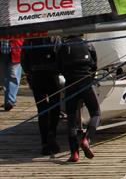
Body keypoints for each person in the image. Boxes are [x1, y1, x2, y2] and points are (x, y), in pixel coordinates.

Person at [57, 34, 99, 163]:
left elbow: (59, 67)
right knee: (96, 113)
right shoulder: (88, 44)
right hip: (85, 82)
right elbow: (94, 65)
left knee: (71, 118)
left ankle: (74, 153)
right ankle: (87, 139)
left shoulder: (63, 47)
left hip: (70, 84)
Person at [21, 36, 61, 155]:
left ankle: (44, 142)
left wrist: (29, 74)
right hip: (52, 76)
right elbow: (60, 56)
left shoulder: (29, 39)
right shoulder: (55, 38)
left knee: (42, 110)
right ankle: (52, 134)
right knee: (55, 108)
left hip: (36, 76)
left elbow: (24, 60)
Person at [0, 38, 23, 111]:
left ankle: (10, 101)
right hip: (2, 50)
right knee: (2, 76)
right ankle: (9, 100)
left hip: (15, 48)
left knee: (13, 75)